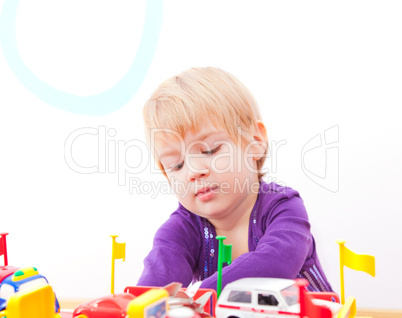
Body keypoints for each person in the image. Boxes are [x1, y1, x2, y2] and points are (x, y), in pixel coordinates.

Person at [137, 67, 333, 292]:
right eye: (177, 165)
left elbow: (275, 264)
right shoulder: (181, 229)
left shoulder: (283, 206)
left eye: (210, 150)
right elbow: (156, 282)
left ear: (255, 141)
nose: (192, 171)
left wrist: (197, 296)